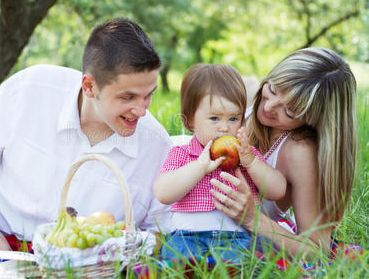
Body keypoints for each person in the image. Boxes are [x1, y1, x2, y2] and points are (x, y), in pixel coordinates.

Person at [0, 18, 173, 258]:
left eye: (149, 94)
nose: (142, 110)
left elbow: (158, 234)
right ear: (89, 86)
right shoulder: (33, 87)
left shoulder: (156, 147)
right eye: (127, 97)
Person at [210, 47, 357, 257]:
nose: (269, 106)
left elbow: (317, 250)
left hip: (230, 244)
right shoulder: (247, 103)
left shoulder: (299, 152)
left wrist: (253, 218)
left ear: (313, 119)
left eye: (290, 110)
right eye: (273, 88)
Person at [153, 63, 287, 261]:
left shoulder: (246, 156)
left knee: (242, 266)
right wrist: (199, 167)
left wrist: (251, 162)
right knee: (177, 265)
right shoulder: (182, 154)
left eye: (234, 119)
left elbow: (277, 190)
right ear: (189, 121)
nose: (224, 128)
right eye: (214, 118)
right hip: (186, 237)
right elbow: (163, 193)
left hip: (235, 238)